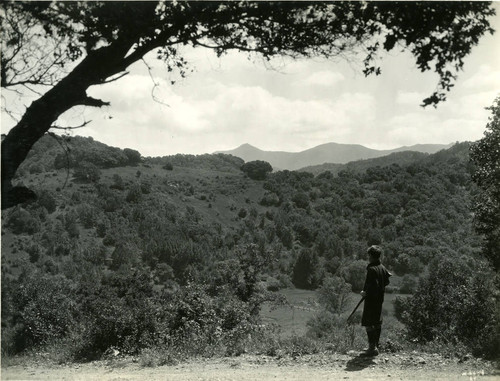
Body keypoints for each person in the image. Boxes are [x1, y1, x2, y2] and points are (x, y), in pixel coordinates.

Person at [360, 245, 392, 356]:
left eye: (368, 255)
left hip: (371, 300)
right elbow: (386, 281)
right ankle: (375, 347)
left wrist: (365, 293)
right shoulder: (382, 267)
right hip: (379, 300)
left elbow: (373, 286)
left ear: (371, 255)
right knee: (377, 323)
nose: (368, 257)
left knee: (368, 323)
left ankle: (372, 348)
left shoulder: (372, 269)